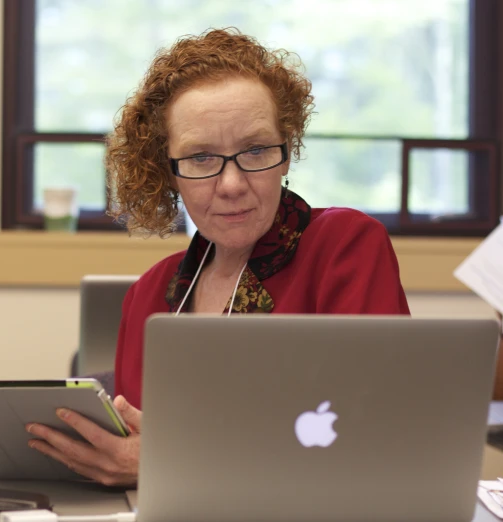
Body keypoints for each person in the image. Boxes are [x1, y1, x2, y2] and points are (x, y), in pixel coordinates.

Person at [25, 28, 410, 486]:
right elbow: (132, 449)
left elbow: (377, 441)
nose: (230, 184)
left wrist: (176, 462)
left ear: (287, 151)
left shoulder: (345, 246)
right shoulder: (148, 294)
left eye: (255, 150)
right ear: (167, 171)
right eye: (201, 158)